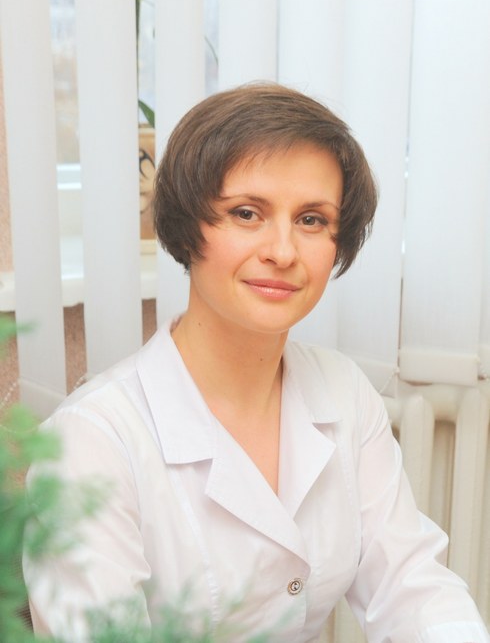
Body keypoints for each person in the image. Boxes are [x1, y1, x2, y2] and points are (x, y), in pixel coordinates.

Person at [24, 83, 489, 642]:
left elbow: (410, 586)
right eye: (246, 213)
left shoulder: (344, 392)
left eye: (312, 220)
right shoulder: (92, 441)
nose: (283, 252)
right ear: (188, 227)